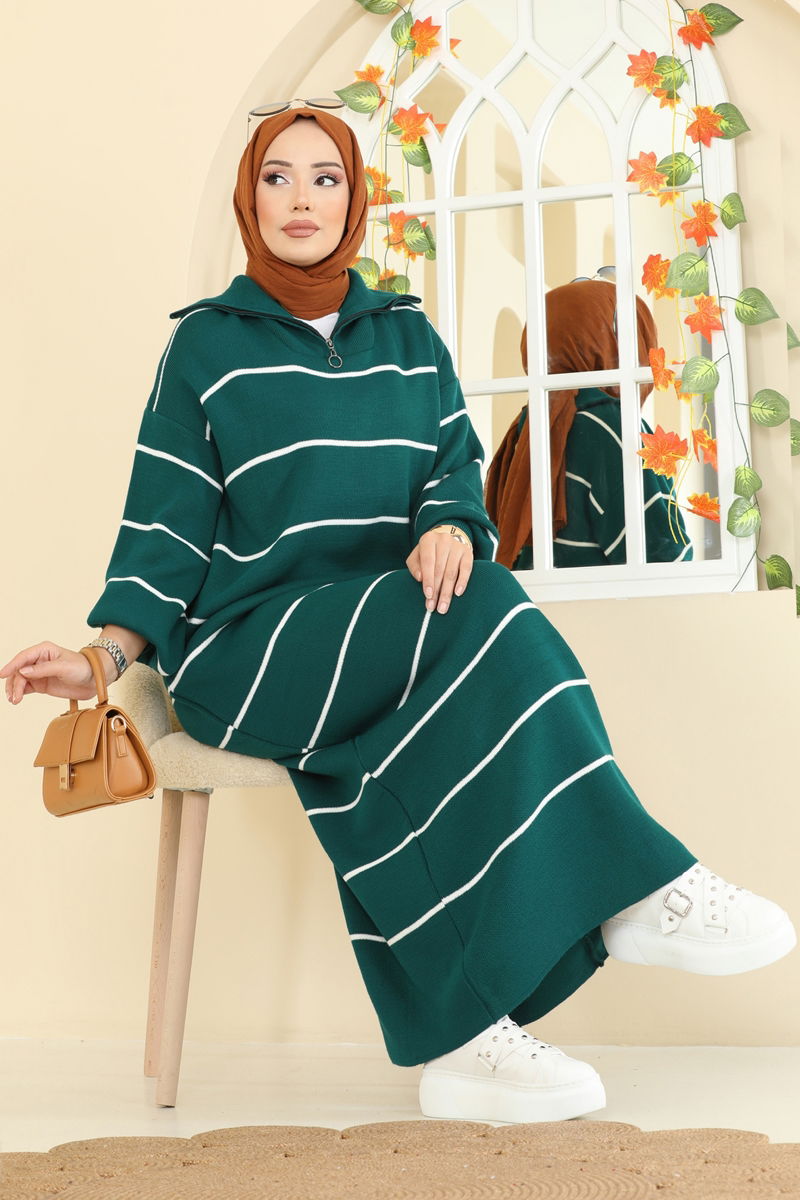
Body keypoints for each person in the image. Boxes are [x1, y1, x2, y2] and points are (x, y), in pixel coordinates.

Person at [2, 104, 795, 1128]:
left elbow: (451, 473)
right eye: (277, 177)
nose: (300, 197)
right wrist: (103, 658)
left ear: (354, 200)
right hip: (250, 648)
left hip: (388, 631)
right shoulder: (205, 347)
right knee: (488, 612)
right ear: (250, 198)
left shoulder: (407, 336)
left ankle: (466, 1040)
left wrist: (451, 527)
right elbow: (166, 524)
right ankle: (637, 885)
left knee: (415, 713)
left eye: (324, 177)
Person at [485, 280, 693, 570]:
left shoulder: (527, 427)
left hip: (534, 599)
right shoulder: (609, 426)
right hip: (602, 600)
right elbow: (664, 559)